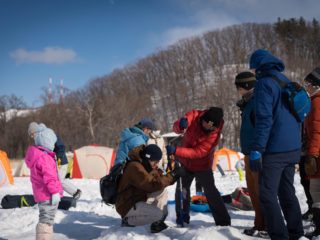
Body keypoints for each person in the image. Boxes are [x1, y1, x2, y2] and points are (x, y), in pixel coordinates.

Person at [248, 49, 304, 239]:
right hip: (293, 147)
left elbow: (264, 119)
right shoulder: (285, 80)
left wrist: (256, 149)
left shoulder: (264, 84)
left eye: (253, 69)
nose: (253, 73)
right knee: (287, 192)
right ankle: (296, 233)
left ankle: (280, 236)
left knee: (267, 194)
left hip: (275, 150)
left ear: (258, 67)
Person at [166, 107, 231, 226]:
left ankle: (223, 222)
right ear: (202, 119)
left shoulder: (214, 136)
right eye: (206, 124)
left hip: (203, 166)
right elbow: (176, 129)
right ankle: (182, 217)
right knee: (183, 190)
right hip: (185, 163)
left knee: (211, 192)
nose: (207, 127)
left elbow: (198, 152)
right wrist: (179, 125)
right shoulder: (194, 115)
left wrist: (176, 150)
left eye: (211, 127)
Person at [115, 144, 185, 233]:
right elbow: (150, 184)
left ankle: (158, 223)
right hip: (127, 204)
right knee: (158, 214)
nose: (156, 165)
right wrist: (173, 175)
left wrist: (174, 174)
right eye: (154, 162)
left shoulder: (146, 165)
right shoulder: (134, 167)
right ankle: (128, 221)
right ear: (147, 158)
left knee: (162, 191)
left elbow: (159, 181)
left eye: (157, 162)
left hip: (138, 198)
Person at [234, 71, 267, 237]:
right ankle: (259, 224)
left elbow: (262, 127)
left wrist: (257, 150)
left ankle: (265, 225)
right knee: (253, 191)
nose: (238, 90)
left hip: (257, 153)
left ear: (244, 87)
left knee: (259, 191)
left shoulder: (257, 101)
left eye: (238, 87)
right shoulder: (248, 103)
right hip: (249, 152)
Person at [25, 124, 63, 240]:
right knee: (46, 221)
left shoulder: (39, 156)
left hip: (43, 195)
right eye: (52, 143)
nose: (53, 145)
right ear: (47, 142)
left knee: (46, 220)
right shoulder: (45, 158)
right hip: (48, 195)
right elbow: (50, 178)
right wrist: (55, 192)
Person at [28, 122, 82, 200]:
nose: (32, 137)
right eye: (31, 136)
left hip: (61, 161)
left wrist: (57, 157)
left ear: (35, 131)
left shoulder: (49, 134)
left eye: (32, 134)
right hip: (51, 163)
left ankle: (76, 192)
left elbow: (62, 147)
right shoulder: (40, 139)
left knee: (59, 180)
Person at [303, 67, 320, 238]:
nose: (307, 87)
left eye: (309, 84)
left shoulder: (317, 101)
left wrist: (312, 154)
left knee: (317, 192)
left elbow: (317, 130)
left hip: (318, 154)